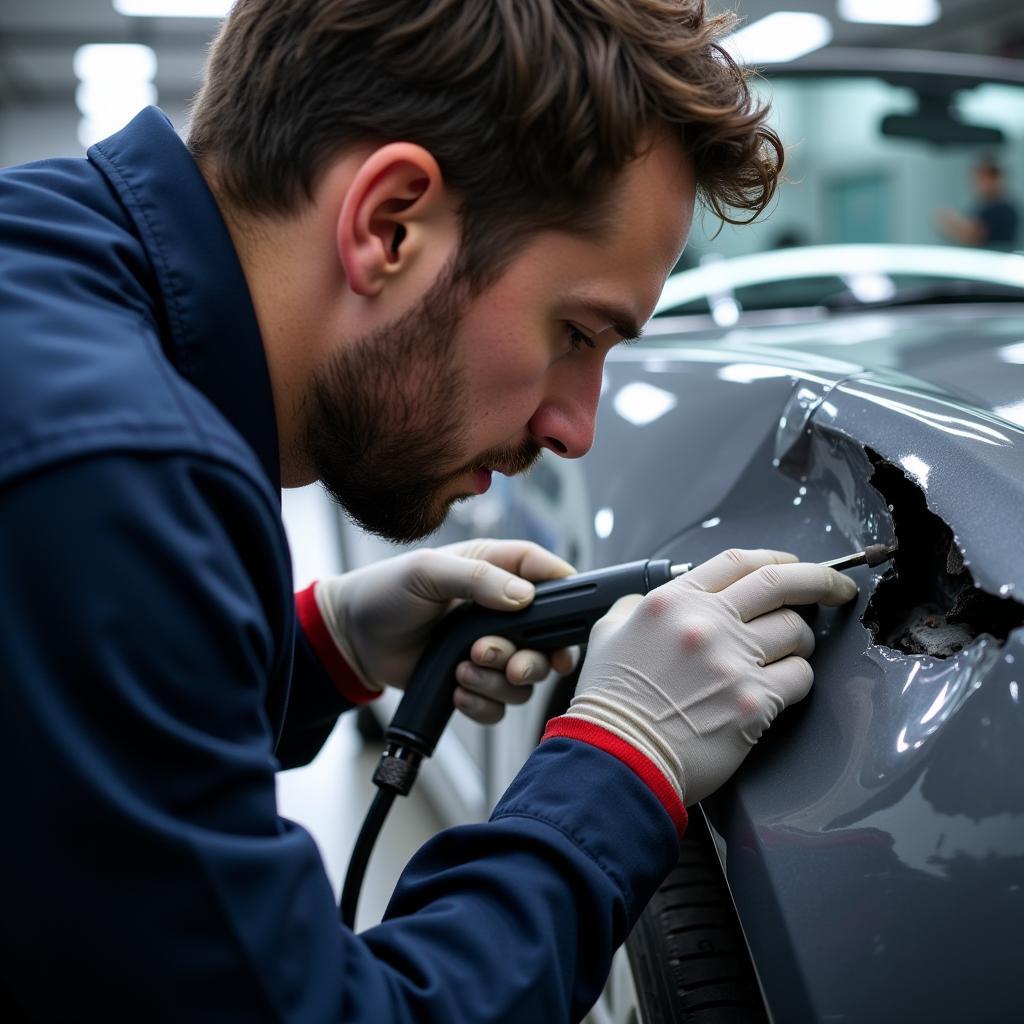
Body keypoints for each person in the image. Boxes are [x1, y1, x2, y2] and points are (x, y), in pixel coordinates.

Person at [0, 1, 857, 1020]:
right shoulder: (110, 470)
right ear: (389, 221)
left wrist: (321, 645)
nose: (574, 429)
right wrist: (625, 758)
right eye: (576, 332)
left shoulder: (50, 260)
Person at [937, 156, 1020, 250]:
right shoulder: (983, 206)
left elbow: (973, 236)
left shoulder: (1002, 209)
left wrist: (951, 222)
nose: (978, 183)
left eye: (983, 178)